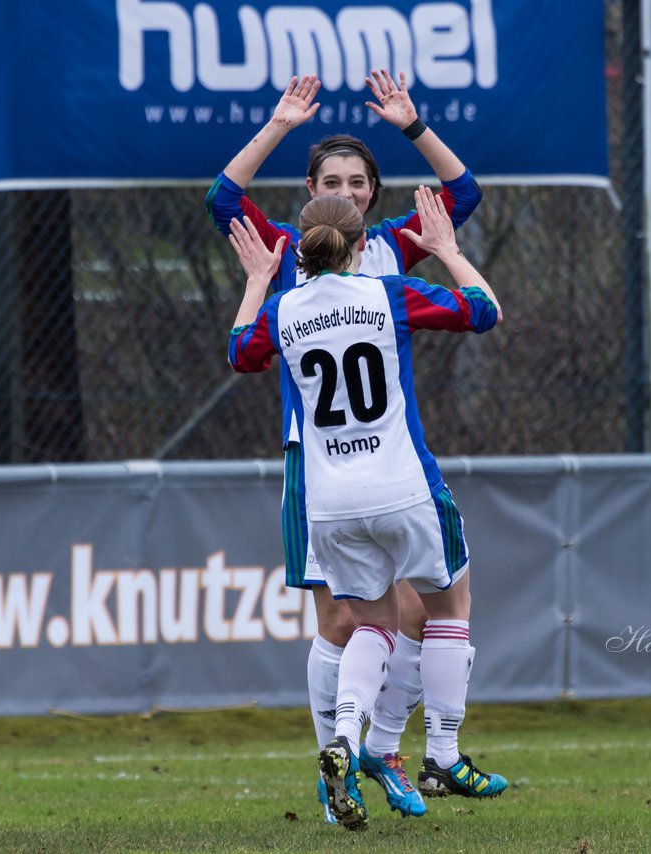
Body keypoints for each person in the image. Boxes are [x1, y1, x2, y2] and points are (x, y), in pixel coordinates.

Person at [206, 71, 500, 820]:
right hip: (321, 457)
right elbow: (221, 201)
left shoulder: (393, 249)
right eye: (333, 179)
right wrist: (276, 124)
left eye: (359, 180)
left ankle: (382, 752)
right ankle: (346, 767)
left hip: (376, 457)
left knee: (405, 617)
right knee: (347, 621)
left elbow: (461, 197)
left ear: (374, 192)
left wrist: (412, 124)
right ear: (309, 191)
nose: (349, 189)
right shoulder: (287, 249)